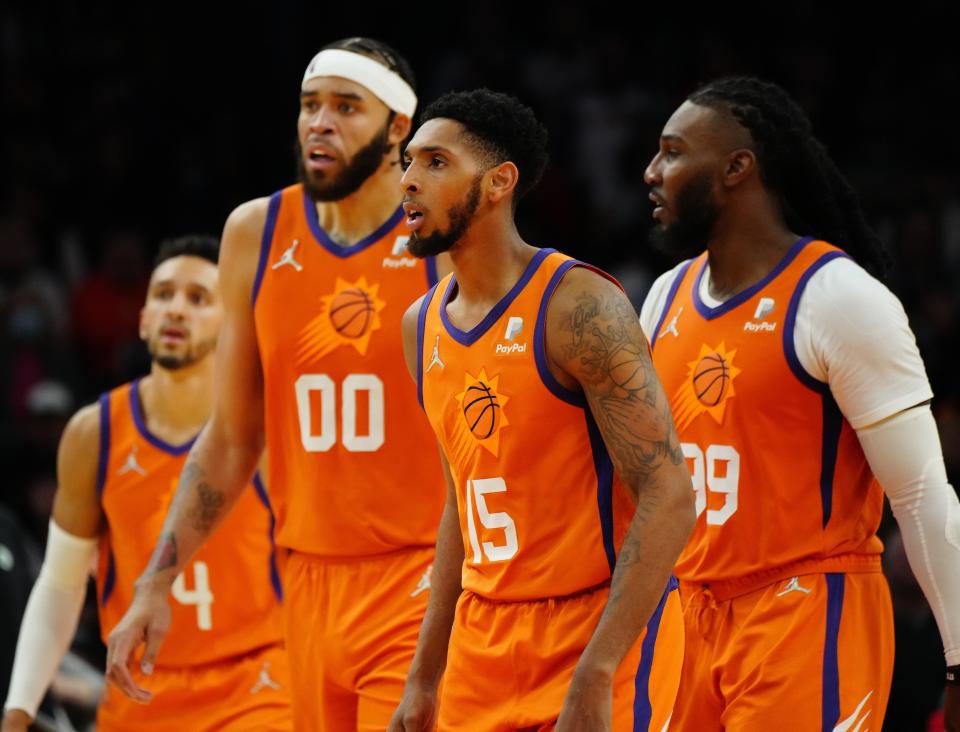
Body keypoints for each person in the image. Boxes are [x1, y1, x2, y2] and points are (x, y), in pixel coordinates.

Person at [105, 38, 447, 731]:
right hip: (305, 584)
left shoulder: (439, 238)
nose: (320, 123)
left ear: (398, 130)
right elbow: (233, 436)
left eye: (347, 108)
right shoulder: (254, 233)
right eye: (309, 106)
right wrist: (154, 581)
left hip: (418, 578)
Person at [639, 76, 960, 731]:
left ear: (737, 168)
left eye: (672, 153)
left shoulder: (838, 298)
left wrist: (959, 659)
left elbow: (923, 494)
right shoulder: (664, 296)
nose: (651, 172)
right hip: (686, 614)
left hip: (805, 612)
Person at [388, 88, 694, 732]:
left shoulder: (576, 304)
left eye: (436, 162)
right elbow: (459, 502)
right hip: (482, 641)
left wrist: (600, 667)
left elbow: (668, 490)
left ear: (499, 182)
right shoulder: (421, 326)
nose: (410, 181)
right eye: (408, 163)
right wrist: (423, 676)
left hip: (593, 626)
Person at [2, 235, 291, 732]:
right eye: (163, 295)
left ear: (232, 324)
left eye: (198, 298)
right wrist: (19, 708)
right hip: (139, 693)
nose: (176, 309)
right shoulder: (94, 434)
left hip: (257, 688)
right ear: (141, 319)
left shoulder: (268, 427)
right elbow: (61, 583)